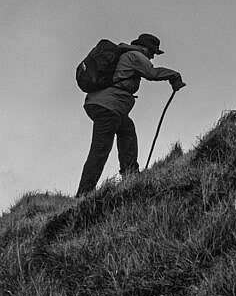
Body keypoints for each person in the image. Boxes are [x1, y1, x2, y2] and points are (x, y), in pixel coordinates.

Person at [75, 33, 184, 197]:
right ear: (146, 48)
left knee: (127, 130)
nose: (153, 57)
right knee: (100, 149)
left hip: (105, 105)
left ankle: (130, 175)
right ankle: (84, 194)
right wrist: (174, 76)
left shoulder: (127, 54)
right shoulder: (136, 55)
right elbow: (152, 73)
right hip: (108, 107)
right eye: (153, 53)